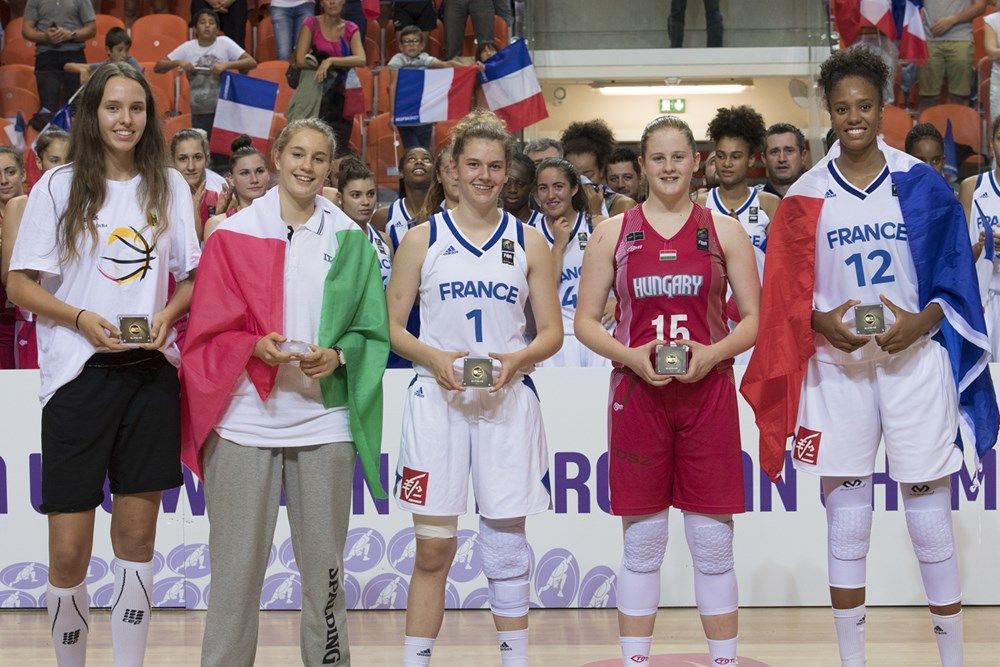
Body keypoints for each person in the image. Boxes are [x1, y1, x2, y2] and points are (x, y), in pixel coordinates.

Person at [742, 48, 998, 667]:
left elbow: (956, 281)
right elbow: (783, 298)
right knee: (848, 523)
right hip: (839, 371)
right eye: (842, 108)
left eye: (864, 106)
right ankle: (852, 660)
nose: (853, 117)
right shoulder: (804, 195)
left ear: (883, 109)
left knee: (930, 521)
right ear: (829, 113)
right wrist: (820, 322)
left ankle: (954, 660)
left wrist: (921, 322)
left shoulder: (922, 183)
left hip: (913, 365)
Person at [6, 61, 200, 666]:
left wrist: (168, 314)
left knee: (137, 542)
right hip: (76, 377)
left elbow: (192, 277)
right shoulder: (57, 186)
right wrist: (80, 318)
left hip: (150, 373)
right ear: (91, 114)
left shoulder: (169, 185)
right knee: (68, 553)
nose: (125, 119)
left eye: (136, 108)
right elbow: (19, 284)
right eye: (113, 107)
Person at [179, 117, 389, 666]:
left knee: (325, 573)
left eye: (319, 158)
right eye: (297, 154)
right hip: (244, 420)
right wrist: (253, 346)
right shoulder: (231, 233)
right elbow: (206, 332)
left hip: (324, 421)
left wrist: (337, 355)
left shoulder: (351, 237)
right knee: (235, 573)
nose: (306, 166)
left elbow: (371, 329)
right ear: (277, 157)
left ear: (330, 168)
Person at [574, 114, 759, 666]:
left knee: (712, 541)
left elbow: (754, 318)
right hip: (638, 392)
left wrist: (713, 354)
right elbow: (584, 322)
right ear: (642, 165)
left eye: (679, 156)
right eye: (658, 157)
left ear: (696, 162)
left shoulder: (725, 230)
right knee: (643, 541)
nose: (670, 167)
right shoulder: (613, 231)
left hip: (708, 391)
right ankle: (636, 660)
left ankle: (723, 660)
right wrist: (630, 355)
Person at [386, 109, 562, 667]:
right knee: (433, 550)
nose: (484, 176)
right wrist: (433, 357)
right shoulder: (421, 239)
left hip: (506, 400)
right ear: (452, 171)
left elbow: (552, 332)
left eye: (495, 166)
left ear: (507, 172)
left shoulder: (529, 241)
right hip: (437, 401)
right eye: (474, 165)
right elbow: (391, 327)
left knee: (506, 550)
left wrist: (519, 359)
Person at [534, 157, 609, 367]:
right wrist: (558, 247)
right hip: (557, 337)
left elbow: (624, 277)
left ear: (574, 188)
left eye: (558, 186)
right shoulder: (530, 234)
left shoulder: (598, 226)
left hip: (600, 332)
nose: (551, 195)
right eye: (543, 188)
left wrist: (617, 303)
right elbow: (544, 291)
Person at [2, 131, 68, 370]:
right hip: (32, 319)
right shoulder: (20, 206)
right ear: (39, 162)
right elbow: (9, 278)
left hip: (76, 320)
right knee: (28, 392)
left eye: (69, 160)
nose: (62, 168)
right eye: (54, 160)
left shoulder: (91, 206)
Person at [154, 9, 256, 148]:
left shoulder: (225, 43)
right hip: (200, 110)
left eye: (211, 23)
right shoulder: (187, 48)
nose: (207, 25)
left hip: (225, 109)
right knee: (204, 150)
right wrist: (178, 62)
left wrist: (226, 65)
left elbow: (251, 62)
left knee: (225, 151)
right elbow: (158, 67)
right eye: (202, 22)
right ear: (195, 29)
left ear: (217, 29)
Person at [293, 0, 366, 158]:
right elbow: (300, 60)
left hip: (342, 94)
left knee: (338, 148)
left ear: (343, 2)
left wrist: (331, 61)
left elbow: (361, 59)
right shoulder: (311, 23)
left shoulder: (351, 28)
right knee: (313, 145)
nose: (332, 2)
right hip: (316, 90)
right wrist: (321, 64)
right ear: (321, 3)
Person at [959, 114, 1000, 356]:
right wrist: (981, 246)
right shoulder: (971, 187)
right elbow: (959, 254)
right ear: (991, 143)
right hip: (981, 299)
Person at [388, 26, 467, 150]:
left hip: (424, 115)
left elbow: (446, 64)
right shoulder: (397, 60)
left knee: (425, 151)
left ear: (422, 45)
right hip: (405, 115)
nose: (411, 45)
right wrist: (392, 115)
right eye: (407, 42)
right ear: (401, 46)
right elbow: (393, 86)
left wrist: (471, 67)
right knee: (412, 151)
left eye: (415, 41)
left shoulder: (425, 58)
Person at [21, 0, 95, 128]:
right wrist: (45, 37)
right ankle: (47, 139)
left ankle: (77, 139)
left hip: (74, 54)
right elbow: (26, 30)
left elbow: (92, 29)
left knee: (77, 108)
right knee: (47, 110)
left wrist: (70, 35)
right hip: (46, 55)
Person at [918, 0, 988, 111]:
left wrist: (952, 20)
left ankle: (958, 123)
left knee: (960, 96)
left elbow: (980, 6)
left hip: (960, 39)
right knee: (928, 97)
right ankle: (925, 123)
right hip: (929, 39)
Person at [561, 120, 637, 217]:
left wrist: (596, 212)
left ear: (601, 170)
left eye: (588, 175)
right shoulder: (561, 204)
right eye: (574, 176)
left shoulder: (623, 205)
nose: (581, 182)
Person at [337, 155, 393, 289]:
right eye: (356, 195)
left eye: (371, 194)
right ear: (340, 197)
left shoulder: (384, 240)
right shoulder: (331, 238)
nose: (366, 202)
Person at [203, 134, 270, 239]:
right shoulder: (217, 224)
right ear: (231, 179)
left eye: (260, 171)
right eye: (245, 173)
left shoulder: (284, 219)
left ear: (268, 174)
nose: (254, 180)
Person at [0, 147, 28, 369]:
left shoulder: (43, 211)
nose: (3, 181)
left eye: (10, 172)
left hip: (35, 319)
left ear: (23, 173)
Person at [372, 146, 433, 245]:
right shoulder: (383, 216)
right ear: (401, 172)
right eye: (411, 159)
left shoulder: (446, 211)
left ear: (436, 172)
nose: (419, 162)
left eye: (426, 159)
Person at [171, 128, 220, 238]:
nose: (191, 167)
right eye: (183, 158)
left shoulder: (220, 190)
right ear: (173, 161)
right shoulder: (162, 197)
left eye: (197, 157)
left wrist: (220, 213)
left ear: (206, 159)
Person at [63, 26, 141, 85]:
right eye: (119, 50)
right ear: (108, 50)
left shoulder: (131, 62)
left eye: (126, 50)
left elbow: (141, 82)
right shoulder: (105, 66)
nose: (124, 55)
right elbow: (67, 66)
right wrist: (82, 70)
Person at [761, 122, 809, 198]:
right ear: (764, 159)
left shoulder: (822, 195)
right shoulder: (753, 199)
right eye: (774, 152)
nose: (782, 159)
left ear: (803, 156)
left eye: (789, 151)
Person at [502, 152, 535, 223]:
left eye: (520, 184)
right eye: (507, 183)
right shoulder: (487, 223)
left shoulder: (545, 223)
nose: (512, 190)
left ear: (532, 185)